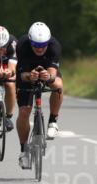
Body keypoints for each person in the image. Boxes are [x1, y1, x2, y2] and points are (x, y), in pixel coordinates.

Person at [15, 21, 64, 169]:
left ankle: (53, 121)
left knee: (58, 86)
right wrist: (31, 76)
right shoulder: (22, 46)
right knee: (24, 112)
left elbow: (53, 75)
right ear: (30, 42)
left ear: (48, 43)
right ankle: (24, 152)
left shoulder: (55, 47)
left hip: (47, 68)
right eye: (36, 46)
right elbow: (22, 75)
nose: (40, 49)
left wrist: (47, 77)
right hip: (28, 71)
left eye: (43, 46)